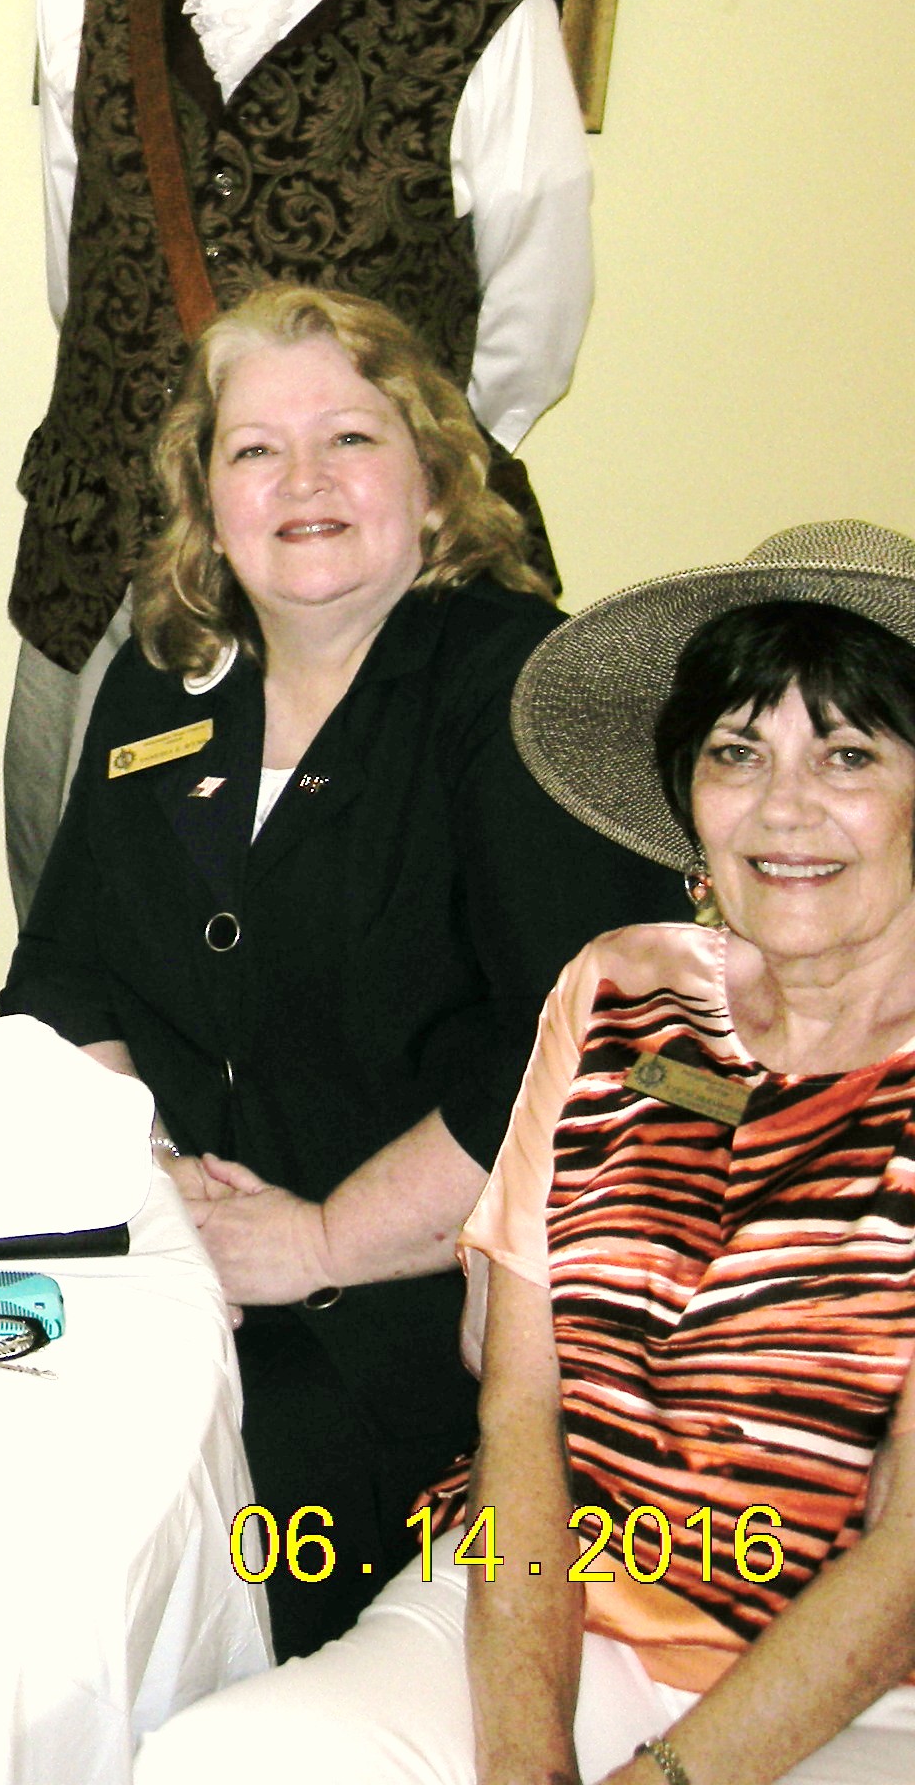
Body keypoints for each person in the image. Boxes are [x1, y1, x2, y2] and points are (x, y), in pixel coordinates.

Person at [135, 521, 915, 1781]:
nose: (784, 808)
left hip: (863, 1680)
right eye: (737, 751)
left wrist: (660, 1779)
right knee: (222, 1762)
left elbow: (905, 1566)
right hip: (554, 1588)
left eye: (849, 754)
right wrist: (523, 1756)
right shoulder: (620, 990)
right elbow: (521, 1402)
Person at [0, 285, 677, 1659]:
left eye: (350, 439)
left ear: (433, 478)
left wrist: (317, 1242)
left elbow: (577, 1057)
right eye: (256, 449)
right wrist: (162, 1177)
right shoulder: (161, 683)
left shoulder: (515, 693)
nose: (302, 480)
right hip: (170, 1265)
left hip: (408, 1339)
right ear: (209, 498)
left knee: (135, 1587)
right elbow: (63, 977)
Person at [5, 0, 599, 915]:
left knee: (341, 939)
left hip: (357, 593)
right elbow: (76, 264)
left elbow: (531, 327)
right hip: (103, 562)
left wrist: (347, 495)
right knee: (78, 929)